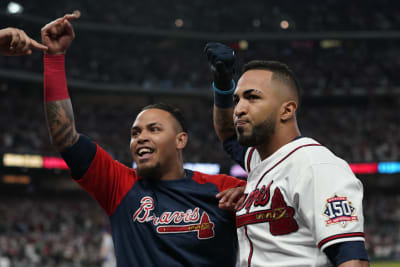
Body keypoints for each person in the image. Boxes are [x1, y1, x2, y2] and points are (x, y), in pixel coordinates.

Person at [40, 13, 246, 267]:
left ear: (181, 140)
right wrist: (53, 59)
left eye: (154, 129)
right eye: (135, 133)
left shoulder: (224, 189)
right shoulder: (119, 186)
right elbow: (64, 136)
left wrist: (250, 193)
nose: (141, 138)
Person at [204, 43, 369, 267]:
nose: (239, 109)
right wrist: (223, 86)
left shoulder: (315, 166)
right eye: (236, 100)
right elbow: (228, 135)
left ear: (287, 110)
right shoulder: (260, 159)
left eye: (252, 97)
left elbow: (352, 261)